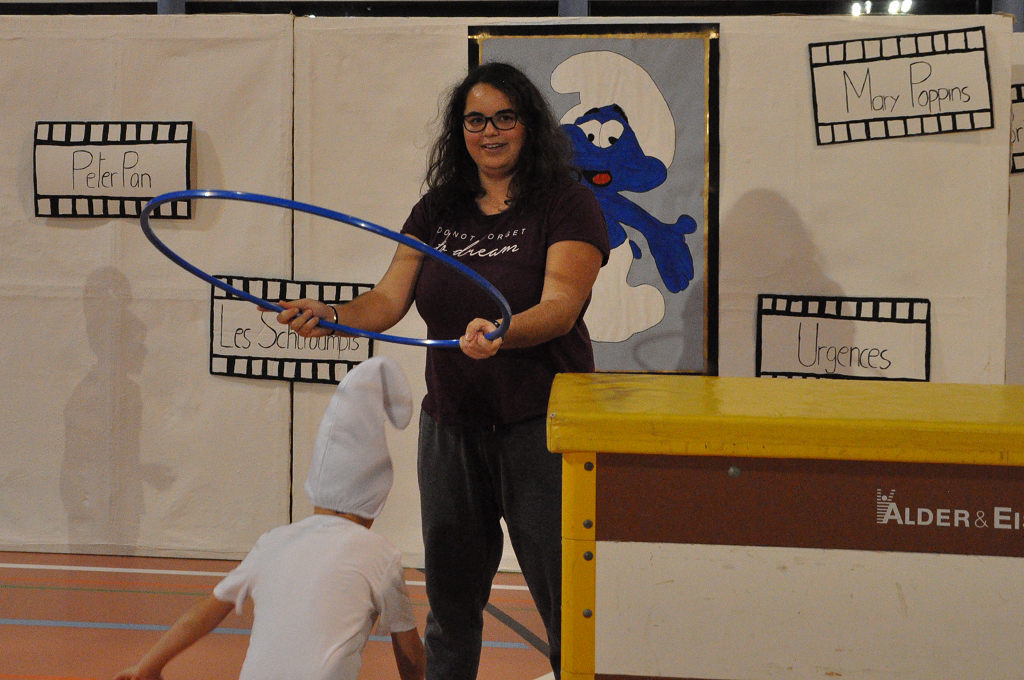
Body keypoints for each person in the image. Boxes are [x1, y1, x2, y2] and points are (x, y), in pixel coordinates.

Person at [274, 61, 609, 680]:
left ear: (529, 125)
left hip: (543, 429)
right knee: (451, 605)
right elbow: (386, 300)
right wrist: (333, 314)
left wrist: (503, 332)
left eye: (504, 118)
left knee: (567, 600)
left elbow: (562, 306)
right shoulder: (437, 210)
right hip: (451, 428)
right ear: (461, 131)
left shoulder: (568, 203)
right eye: (475, 121)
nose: (490, 132)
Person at [113, 356, 425, 680]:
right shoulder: (381, 556)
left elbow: (202, 615)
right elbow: (411, 656)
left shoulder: (273, 542)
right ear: (375, 496)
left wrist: (148, 666)